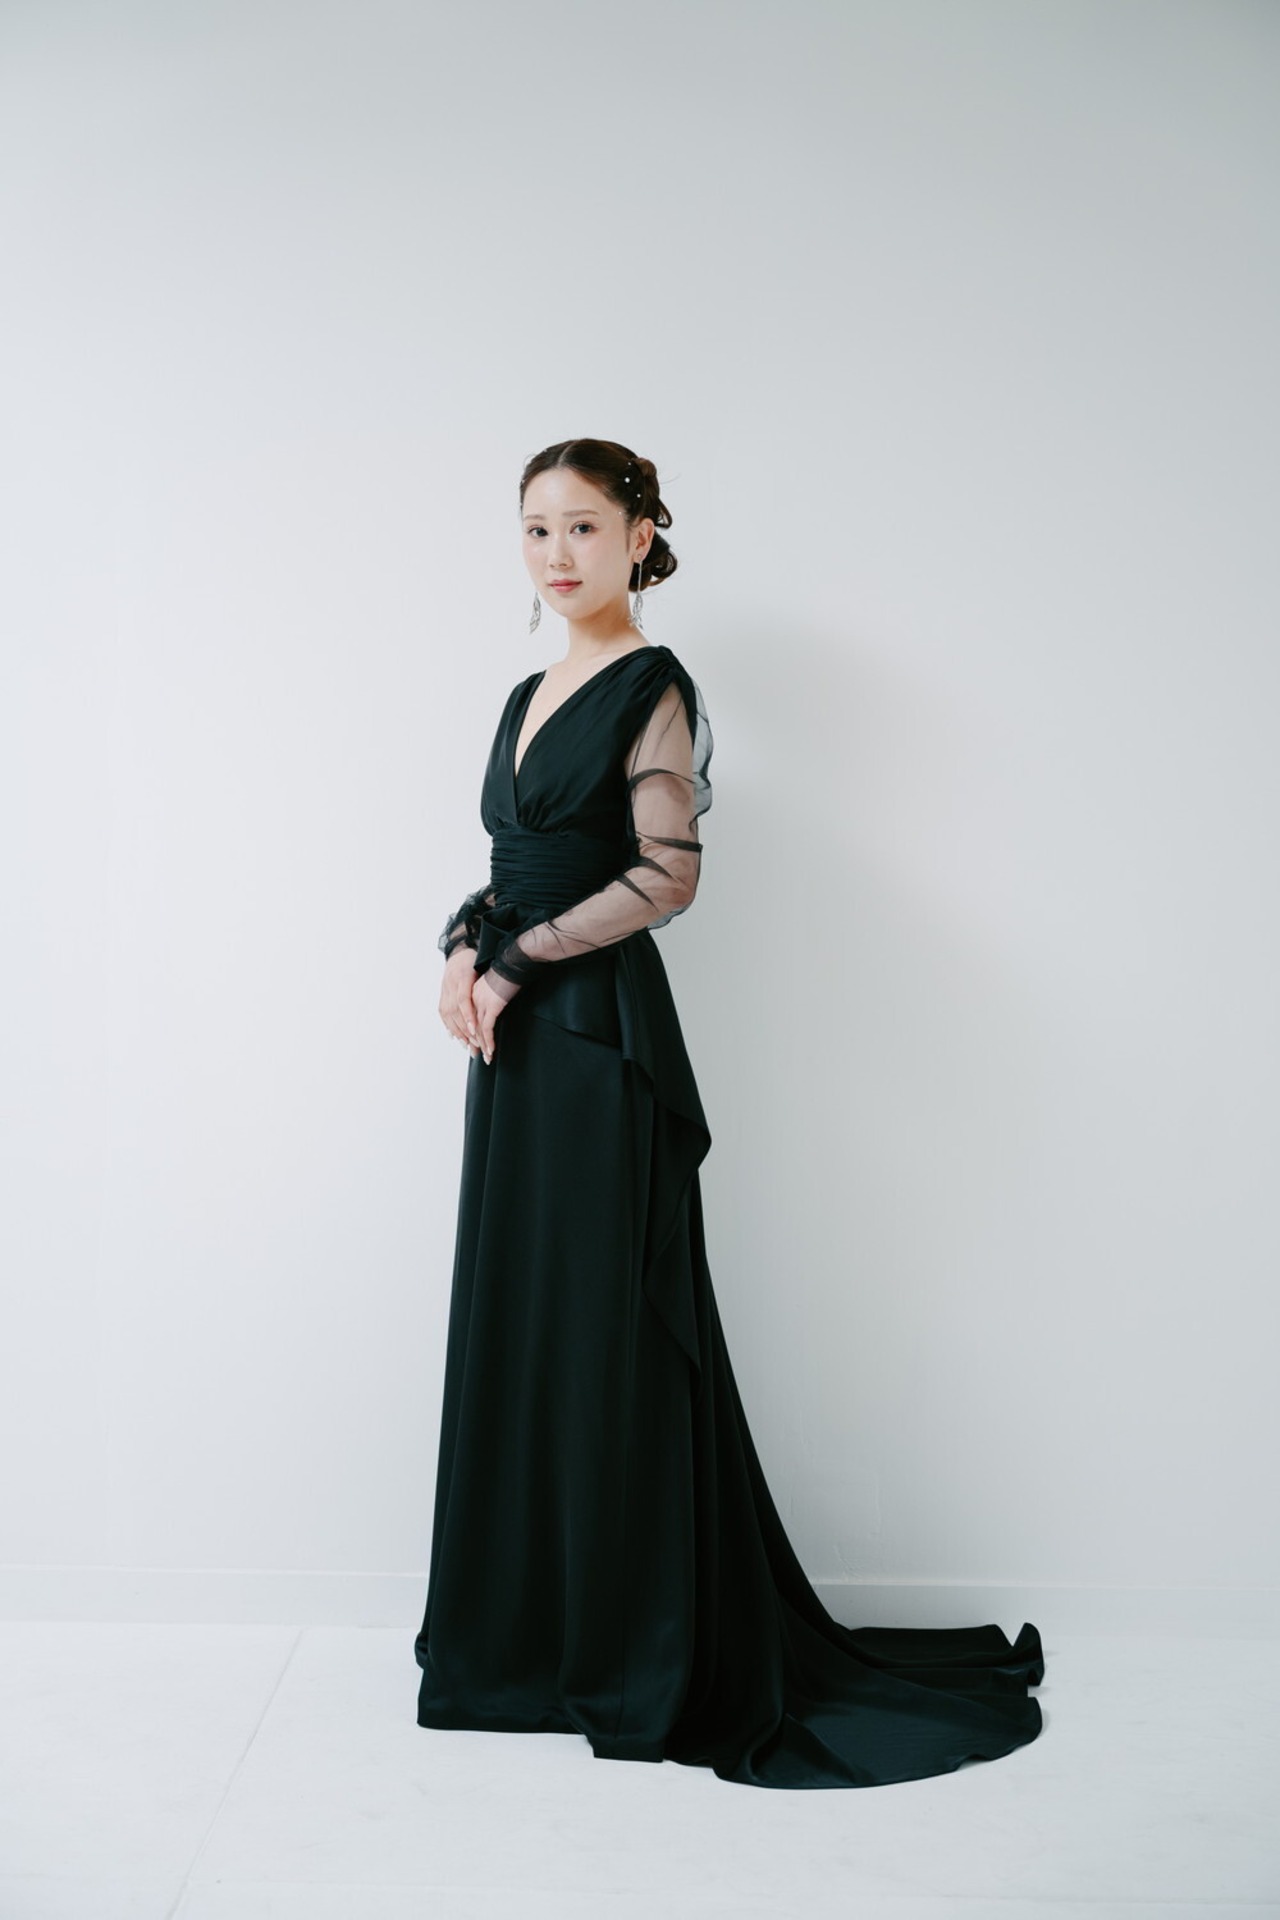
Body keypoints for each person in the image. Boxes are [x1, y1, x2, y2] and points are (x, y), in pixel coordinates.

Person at [413, 437, 1045, 1788]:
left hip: (596, 1044)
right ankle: (522, 1644)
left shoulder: (654, 688)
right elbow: (511, 867)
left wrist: (517, 966)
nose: (557, 553)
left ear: (640, 535)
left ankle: (630, 1646)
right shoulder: (525, 691)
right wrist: (465, 946)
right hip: (517, 1054)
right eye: (535, 529)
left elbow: (666, 875)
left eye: (584, 526)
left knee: (604, 1328)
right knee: (527, 1319)